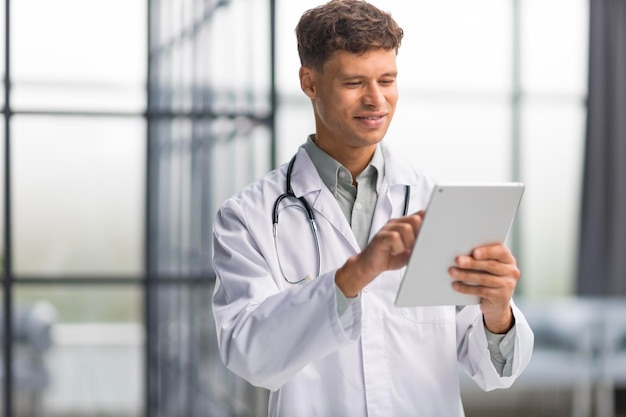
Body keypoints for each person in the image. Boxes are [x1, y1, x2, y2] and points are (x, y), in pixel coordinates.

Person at [211, 1, 533, 416]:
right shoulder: (247, 217)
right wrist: (355, 273)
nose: (376, 100)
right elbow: (247, 354)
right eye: (354, 83)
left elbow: (492, 371)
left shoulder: (431, 202)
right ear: (310, 83)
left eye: (387, 80)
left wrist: (497, 311)